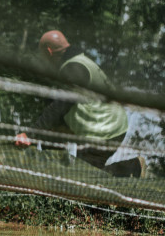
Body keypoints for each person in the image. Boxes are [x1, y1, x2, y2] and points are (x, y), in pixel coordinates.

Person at [15, 30, 145, 177]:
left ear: (49, 51)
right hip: (110, 126)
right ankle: (131, 169)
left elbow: (60, 106)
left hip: (104, 131)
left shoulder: (74, 68)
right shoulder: (79, 62)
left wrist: (30, 134)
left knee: (83, 178)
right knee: (83, 176)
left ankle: (132, 167)